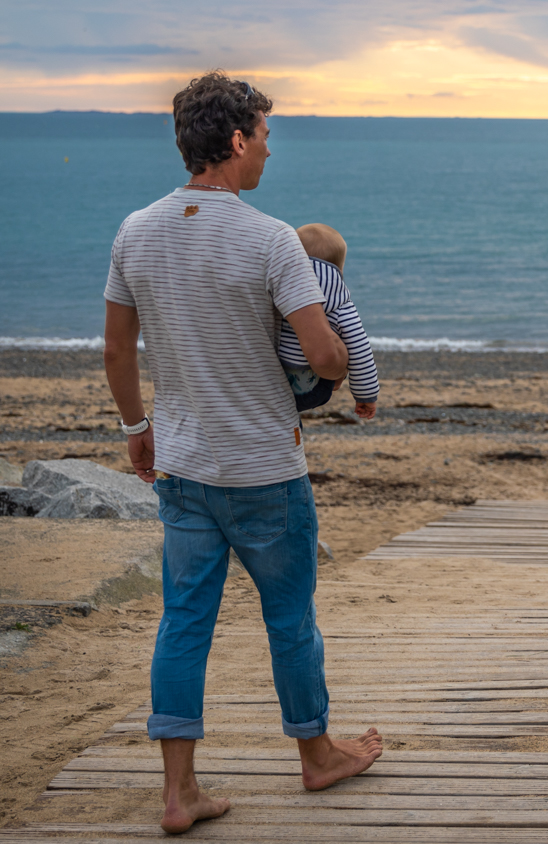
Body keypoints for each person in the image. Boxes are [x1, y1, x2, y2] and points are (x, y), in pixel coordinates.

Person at [101, 71, 382, 835]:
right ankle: (317, 757)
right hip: (264, 468)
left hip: (184, 466)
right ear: (234, 140)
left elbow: (119, 350)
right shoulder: (270, 239)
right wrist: (334, 349)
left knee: (183, 621)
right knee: (290, 620)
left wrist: (137, 431)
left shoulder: (136, 229)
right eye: (262, 135)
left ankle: (179, 791)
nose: (267, 149)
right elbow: (326, 358)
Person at [279, 223, 379, 416]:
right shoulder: (342, 303)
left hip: (266, 382)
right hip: (310, 391)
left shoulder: (278, 286)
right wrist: (365, 395)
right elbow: (360, 349)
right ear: (339, 269)